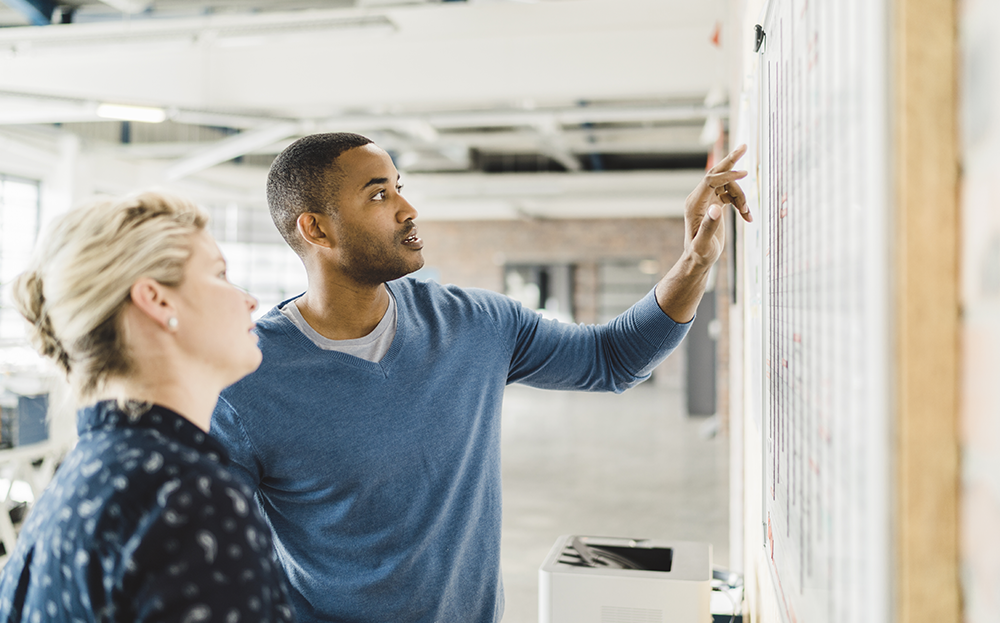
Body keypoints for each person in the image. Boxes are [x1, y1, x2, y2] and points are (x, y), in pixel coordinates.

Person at [210, 133, 751, 622]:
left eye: (400, 187)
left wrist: (695, 261)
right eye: (379, 195)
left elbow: (612, 358)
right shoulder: (245, 380)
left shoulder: (476, 324)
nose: (407, 208)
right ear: (316, 228)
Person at [0, 192, 297, 622]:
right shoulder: (190, 498)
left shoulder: (85, 479)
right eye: (219, 274)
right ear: (157, 301)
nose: (248, 300)